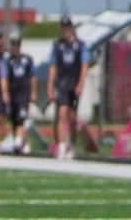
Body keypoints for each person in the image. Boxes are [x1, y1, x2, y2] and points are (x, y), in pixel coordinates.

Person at [46, 16, 88, 160]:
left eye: (67, 27)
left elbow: (84, 66)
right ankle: (61, 146)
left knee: (72, 117)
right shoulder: (57, 45)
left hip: (74, 83)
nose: (65, 30)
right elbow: (52, 67)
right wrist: (50, 86)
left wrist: (81, 84)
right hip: (62, 83)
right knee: (62, 113)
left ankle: (71, 144)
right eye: (63, 27)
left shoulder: (80, 45)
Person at [4, 35, 35, 154]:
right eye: (13, 45)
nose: (14, 48)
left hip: (24, 93)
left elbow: (32, 77)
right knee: (14, 120)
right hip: (13, 94)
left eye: (16, 45)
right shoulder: (8, 61)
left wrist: (33, 92)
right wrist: (6, 93)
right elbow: (5, 78)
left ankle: (18, 142)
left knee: (21, 118)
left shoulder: (27, 59)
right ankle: (21, 143)